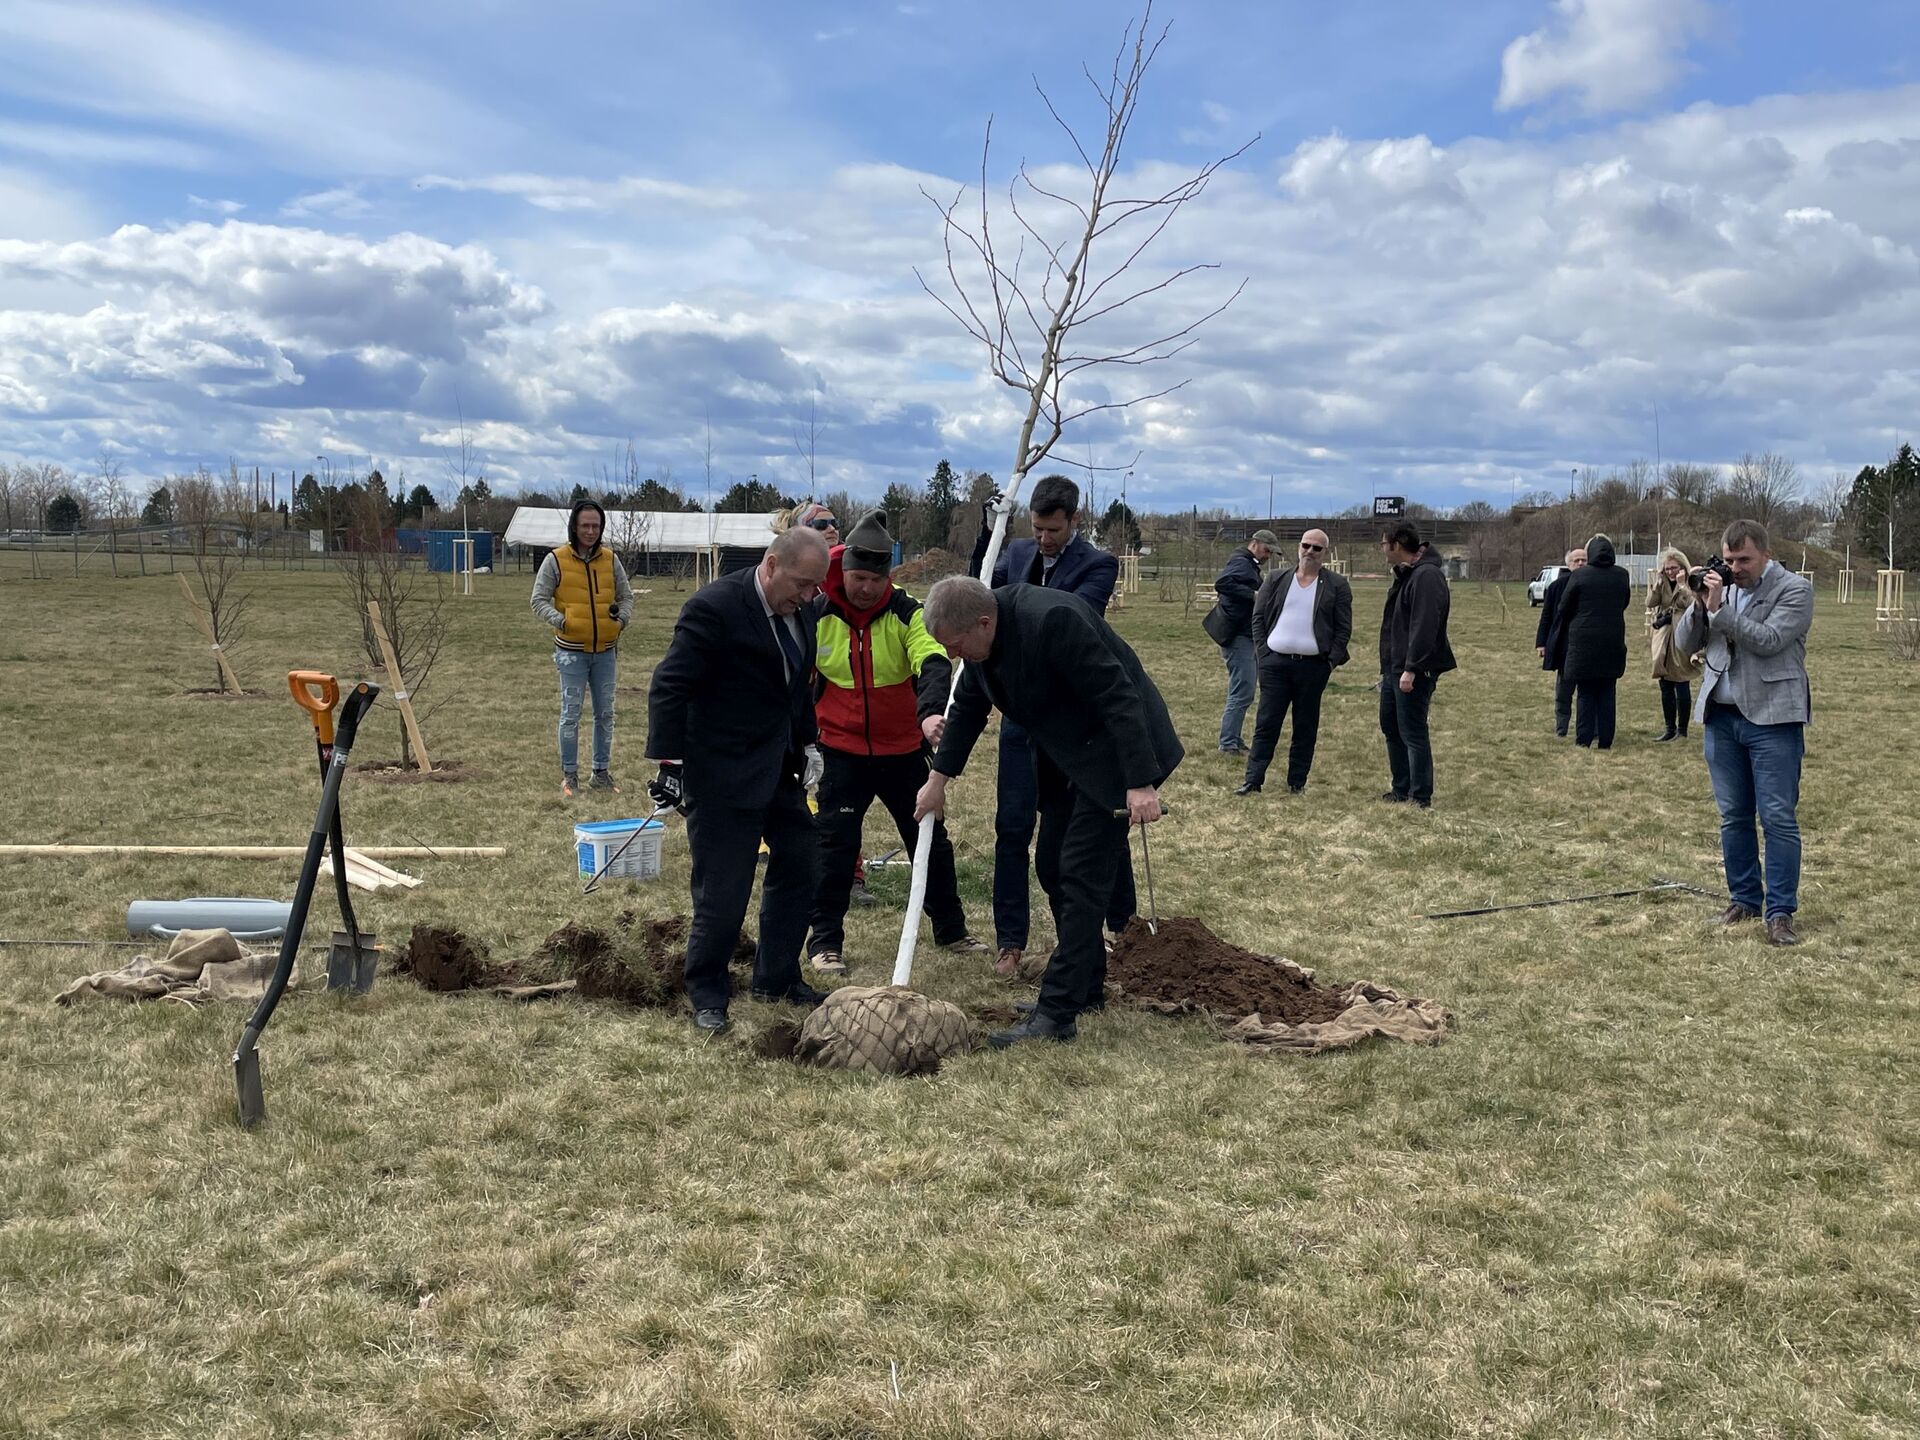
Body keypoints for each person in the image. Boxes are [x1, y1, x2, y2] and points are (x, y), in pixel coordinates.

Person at [914, 577, 1183, 1048]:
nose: (954, 657)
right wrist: (937, 781)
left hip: (1119, 755)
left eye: (955, 646)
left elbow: (1119, 695)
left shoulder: (1053, 621)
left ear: (983, 622)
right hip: (1068, 755)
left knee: (1080, 873)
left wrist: (1139, 782)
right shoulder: (983, 648)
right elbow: (969, 708)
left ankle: (1058, 1013)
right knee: (1051, 864)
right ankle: (1085, 985)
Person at [645, 527, 834, 1031]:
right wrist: (670, 764)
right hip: (720, 772)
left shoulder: (803, 612)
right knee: (723, 890)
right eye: (801, 583)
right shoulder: (715, 608)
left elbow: (796, 687)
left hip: (778, 768)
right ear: (771, 566)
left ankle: (776, 976)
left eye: (817, 586)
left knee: (802, 861)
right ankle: (707, 991)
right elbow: (670, 684)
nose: (809, 595)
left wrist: (810, 741)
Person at [804, 510, 987, 973]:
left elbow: (933, 662)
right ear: (843, 570)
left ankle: (952, 930)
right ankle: (824, 942)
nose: (866, 588)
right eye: (858, 577)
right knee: (834, 847)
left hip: (904, 750)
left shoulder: (909, 613)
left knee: (929, 841)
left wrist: (928, 716)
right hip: (839, 751)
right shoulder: (816, 611)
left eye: (874, 579)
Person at [967, 474, 1127, 977]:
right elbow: (978, 601)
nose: (1043, 539)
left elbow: (1074, 617)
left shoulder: (1098, 566)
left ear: (1074, 520)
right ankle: (1010, 942)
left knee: (1097, 829)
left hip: (1072, 725)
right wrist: (985, 538)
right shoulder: (1014, 554)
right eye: (1036, 528)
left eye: (1053, 530)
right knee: (1011, 829)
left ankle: (1118, 929)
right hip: (1020, 721)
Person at [1673, 519, 1814, 946]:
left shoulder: (1794, 590)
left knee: (1777, 818)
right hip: (1722, 716)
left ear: (1766, 554)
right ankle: (1744, 899)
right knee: (1733, 816)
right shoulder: (1721, 590)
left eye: (1744, 559)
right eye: (1730, 559)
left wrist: (1721, 611)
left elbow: (1769, 639)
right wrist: (1699, 605)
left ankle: (1780, 913)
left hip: (1773, 719)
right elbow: (1684, 645)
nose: (1736, 568)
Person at [530, 499, 634, 797]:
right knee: (571, 714)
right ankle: (569, 776)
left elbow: (626, 597)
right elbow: (538, 599)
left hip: (605, 651)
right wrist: (562, 621)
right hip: (570, 652)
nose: (590, 531)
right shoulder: (556, 560)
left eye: (596, 526)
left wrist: (621, 620)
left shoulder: (611, 560)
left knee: (605, 714)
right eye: (585, 525)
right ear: (574, 527)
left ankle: (600, 772)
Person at [1235, 529, 1352, 795]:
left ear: (1325, 553)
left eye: (1316, 548)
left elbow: (1343, 629)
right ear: (1299, 547)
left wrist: (1330, 662)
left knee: (1305, 726)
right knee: (1266, 723)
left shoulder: (1336, 585)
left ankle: (1296, 782)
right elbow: (1258, 617)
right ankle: (1253, 780)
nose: (1310, 551)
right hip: (1275, 665)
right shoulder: (1276, 579)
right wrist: (1263, 654)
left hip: (1313, 668)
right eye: (1306, 545)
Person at [1377, 522, 1454, 808]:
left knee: (1412, 730)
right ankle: (1401, 787)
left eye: (1384, 544)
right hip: (1393, 667)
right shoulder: (1408, 575)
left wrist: (1412, 668)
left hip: (1413, 669)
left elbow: (1425, 625)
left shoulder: (1427, 576)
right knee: (1391, 726)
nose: (1383, 550)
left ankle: (1420, 795)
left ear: (1397, 544)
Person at [1546, 533, 1631, 750]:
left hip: (1583, 643)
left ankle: (1583, 739)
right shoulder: (1622, 575)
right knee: (1607, 692)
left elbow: (1564, 607)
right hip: (1612, 641)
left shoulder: (1580, 575)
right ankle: (1605, 740)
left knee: (1585, 692)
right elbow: (1625, 602)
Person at [1212, 529, 1275, 754]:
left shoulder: (1246, 562)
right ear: (1255, 544)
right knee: (1243, 690)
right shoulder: (1242, 562)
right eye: (1267, 550)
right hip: (1238, 636)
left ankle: (1234, 738)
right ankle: (1228, 742)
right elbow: (1222, 583)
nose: (1268, 555)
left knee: (1241, 689)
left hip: (1242, 635)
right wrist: (1253, 595)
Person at [1647, 547, 1703, 741]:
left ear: (1682, 567)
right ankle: (1669, 728)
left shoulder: (1690, 582)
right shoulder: (1662, 583)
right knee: (1665, 682)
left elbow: (1692, 603)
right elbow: (1650, 603)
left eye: (1674, 568)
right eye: (1667, 568)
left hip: (1681, 634)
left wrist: (1681, 585)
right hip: (1663, 636)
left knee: (1681, 681)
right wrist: (1657, 584)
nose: (1670, 572)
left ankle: (1682, 730)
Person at [1534, 547, 1586, 737]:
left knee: (1587, 692)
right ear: (1568, 564)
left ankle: (1587, 727)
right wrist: (1542, 643)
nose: (1580, 563)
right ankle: (1561, 728)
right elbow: (1546, 616)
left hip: (1586, 647)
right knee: (1563, 692)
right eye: (1576, 560)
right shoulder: (1556, 587)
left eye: (1584, 560)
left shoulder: (1592, 586)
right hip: (1564, 647)